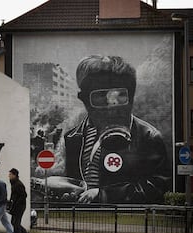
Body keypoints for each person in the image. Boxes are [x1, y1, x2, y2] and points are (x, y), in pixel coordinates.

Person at [64, 55, 170, 204]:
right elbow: (71, 181)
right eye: (101, 95)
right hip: (81, 219)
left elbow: (157, 186)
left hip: (123, 221)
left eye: (120, 95)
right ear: (84, 99)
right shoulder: (73, 138)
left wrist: (105, 195)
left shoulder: (148, 137)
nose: (112, 104)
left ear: (131, 97)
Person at [8, 168, 29, 233]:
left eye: (10, 174)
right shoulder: (14, 183)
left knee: (16, 222)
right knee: (13, 222)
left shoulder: (18, 184)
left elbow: (24, 195)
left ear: (14, 175)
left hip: (19, 206)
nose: (9, 176)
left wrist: (16, 203)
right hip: (15, 205)